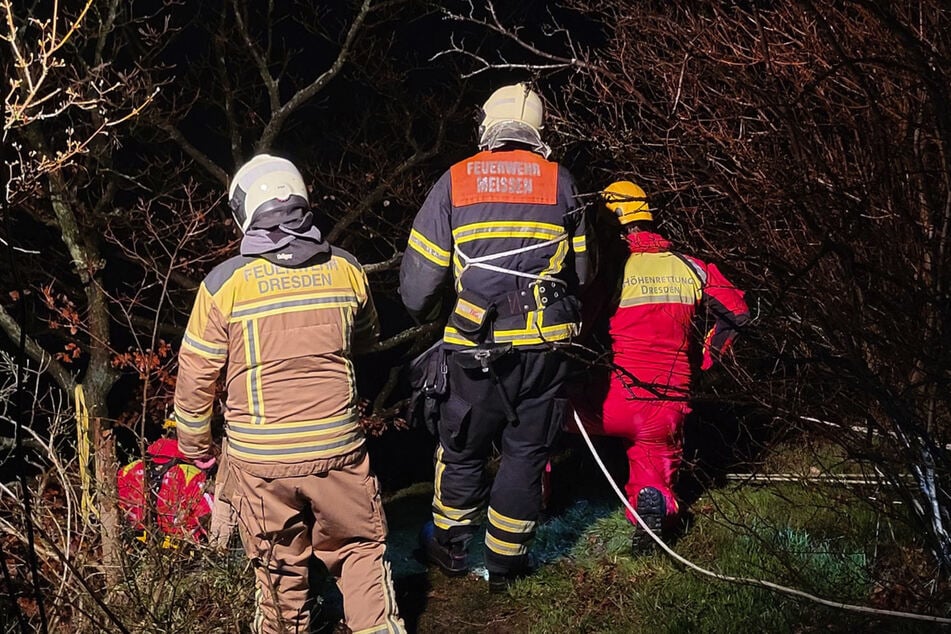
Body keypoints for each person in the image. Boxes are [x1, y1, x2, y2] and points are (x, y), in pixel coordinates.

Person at [174, 154, 405, 634]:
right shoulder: (346, 269)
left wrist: (195, 448)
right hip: (337, 448)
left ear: (245, 213)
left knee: (278, 571)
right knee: (360, 551)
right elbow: (365, 340)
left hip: (260, 461)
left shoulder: (223, 285)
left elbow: (195, 376)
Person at [399, 83, 588, 592]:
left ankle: (450, 546)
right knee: (527, 452)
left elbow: (418, 286)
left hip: (475, 348)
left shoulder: (456, 181)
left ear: (489, 123)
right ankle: (506, 562)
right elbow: (584, 272)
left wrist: (431, 310)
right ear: (538, 129)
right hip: (546, 348)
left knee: (461, 447)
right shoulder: (562, 182)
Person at [571, 180, 749, 553]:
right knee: (654, 470)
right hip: (670, 402)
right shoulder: (692, 268)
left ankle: (531, 501)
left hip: (615, 402)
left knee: (534, 416)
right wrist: (705, 359)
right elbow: (737, 312)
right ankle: (653, 507)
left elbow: (576, 329)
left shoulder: (611, 273)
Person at [116, 437, 214, 544]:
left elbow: (116, 506)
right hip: (180, 548)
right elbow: (209, 516)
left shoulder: (128, 470)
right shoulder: (192, 475)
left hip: (131, 544)